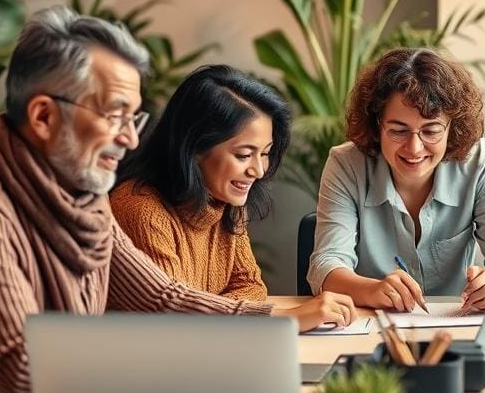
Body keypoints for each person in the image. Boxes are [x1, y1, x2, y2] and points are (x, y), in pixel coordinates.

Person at [0, 7, 353, 393]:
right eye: (115, 115)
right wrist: (179, 355)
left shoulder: (83, 194)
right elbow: (24, 369)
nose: (130, 137)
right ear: (43, 116)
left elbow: (161, 298)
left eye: (133, 117)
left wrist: (270, 321)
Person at [111, 65, 355, 329]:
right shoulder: (141, 210)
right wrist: (281, 318)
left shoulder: (225, 203)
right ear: (193, 147)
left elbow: (250, 286)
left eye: (265, 153)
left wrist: (214, 312)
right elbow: (175, 318)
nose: (259, 170)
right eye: (243, 155)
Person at [308, 47, 485, 313]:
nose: (414, 148)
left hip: (456, 326)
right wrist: (373, 290)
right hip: (374, 325)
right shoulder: (346, 164)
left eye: (431, 131)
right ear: (377, 125)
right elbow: (326, 265)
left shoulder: (480, 161)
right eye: (398, 131)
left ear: (453, 126)